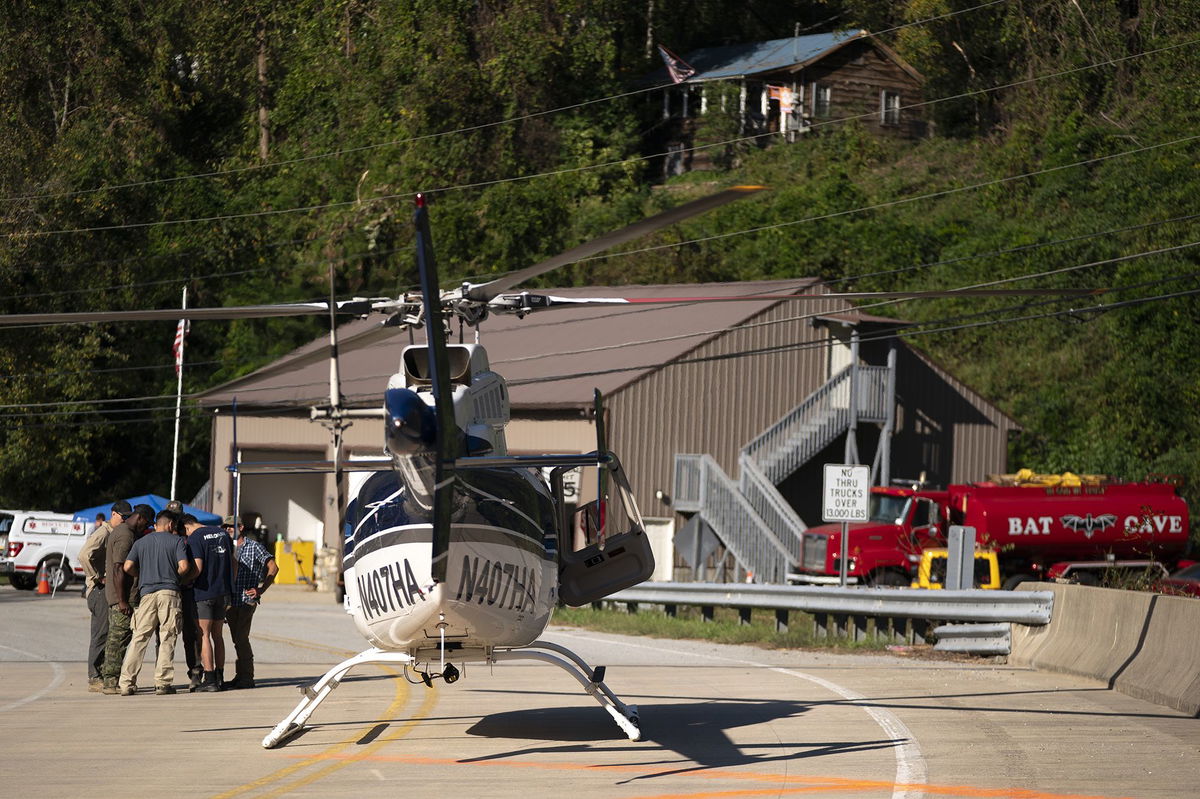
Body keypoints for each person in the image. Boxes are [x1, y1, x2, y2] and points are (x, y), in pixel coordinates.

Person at [117, 510, 196, 695]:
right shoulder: (176, 541)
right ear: (169, 525)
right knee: (168, 636)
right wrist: (175, 575)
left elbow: (127, 567)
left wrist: (142, 575)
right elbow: (184, 566)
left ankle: (126, 683)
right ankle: (162, 683)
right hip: (169, 593)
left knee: (139, 638)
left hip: (146, 594)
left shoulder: (140, 542)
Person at [100, 503, 155, 694]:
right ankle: (110, 682)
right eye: (146, 523)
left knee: (120, 638)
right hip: (122, 596)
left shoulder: (125, 532)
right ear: (139, 518)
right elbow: (118, 568)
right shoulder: (126, 535)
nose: (145, 528)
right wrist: (122, 600)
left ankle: (112, 680)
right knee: (118, 639)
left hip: (122, 595)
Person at [77, 500, 132, 691]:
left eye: (127, 517)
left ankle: (100, 672)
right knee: (100, 634)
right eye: (122, 516)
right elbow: (83, 555)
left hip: (104, 589)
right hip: (98, 590)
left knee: (107, 632)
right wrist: (97, 577)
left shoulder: (115, 533)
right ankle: (94, 677)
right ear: (113, 514)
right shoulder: (104, 532)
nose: (125, 520)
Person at [225, 518, 278, 690]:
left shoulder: (254, 547)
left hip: (247, 599)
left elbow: (273, 567)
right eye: (225, 528)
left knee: (241, 638)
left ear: (240, 527)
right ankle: (240, 675)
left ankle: (247, 677)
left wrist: (261, 589)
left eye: (231, 527)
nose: (228, 530)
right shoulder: (225, 546)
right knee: (236, 639)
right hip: (230, 601)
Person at [187, 513, 234, 692]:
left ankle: (210, 679)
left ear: (187, 526)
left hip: (204, 592)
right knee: (218, 635)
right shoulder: (222, 533)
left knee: (204, 635)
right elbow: (233, 562)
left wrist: (186, 580)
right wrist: (230, 585)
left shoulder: (196, 537)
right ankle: (221, 676)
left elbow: (197, 567)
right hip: (223, 591)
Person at [177, 514, 206, 690]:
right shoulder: (172, 539)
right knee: (164, 637)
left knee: (192, 634)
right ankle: (162, 677)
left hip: (190, 592)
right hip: (174, 590)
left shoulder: (193, 540)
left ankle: (196, 672)